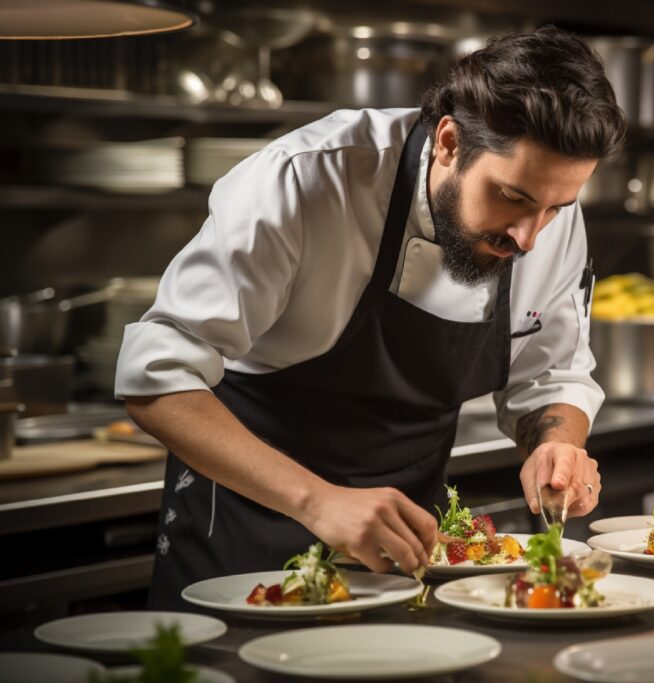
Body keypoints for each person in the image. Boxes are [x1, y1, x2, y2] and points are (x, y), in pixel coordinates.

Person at [114, 27, 627, 609]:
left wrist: (555, 446)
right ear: (450, 142)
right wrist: (316, 500)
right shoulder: (306, 180)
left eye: (555, 209)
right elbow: (156, 380)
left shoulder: (546, 211)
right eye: (511, 198)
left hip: (403, 555)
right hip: (242, 534)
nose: (530, 237)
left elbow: (549, 377)